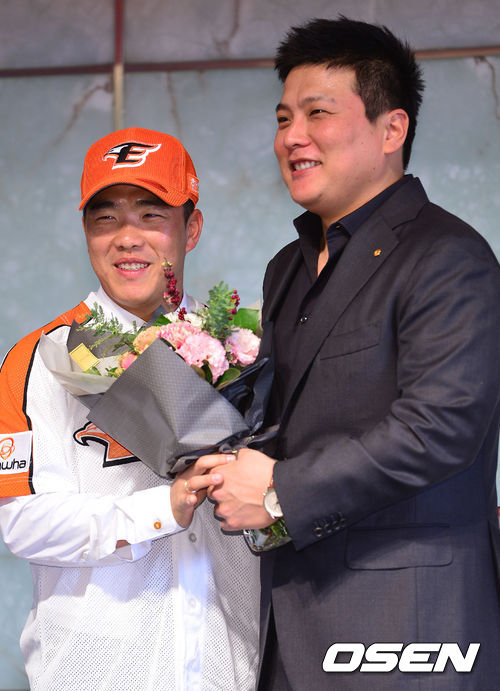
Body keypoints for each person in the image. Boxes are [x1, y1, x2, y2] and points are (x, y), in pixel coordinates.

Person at [204, 17, 500, 690]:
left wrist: (279, 490)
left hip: (407, 619)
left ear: (391, 130)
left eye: (318, 113)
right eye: (284, 118)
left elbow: (440, 426)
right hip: (291, 618)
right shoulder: (287, 266)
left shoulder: (448, 256)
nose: (292, 137)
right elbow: (286, 422)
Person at [0, 127, 260, 691]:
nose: (126, 238)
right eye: (105, 219)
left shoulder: (244, 349)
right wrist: (163, 507)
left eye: (150, 215)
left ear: (191, 228)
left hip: (230, 671)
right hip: (94, 676)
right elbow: (23, 523)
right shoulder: (44, 358)